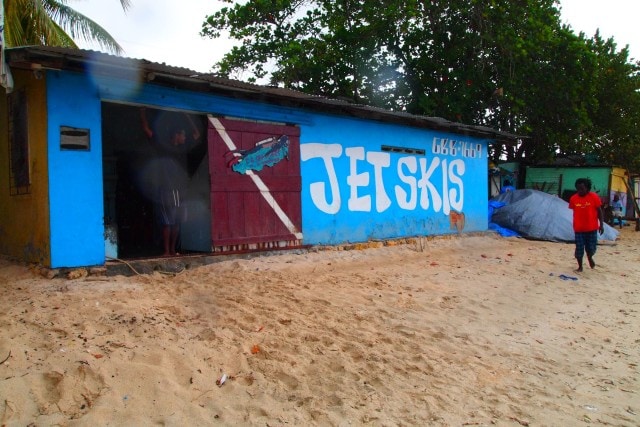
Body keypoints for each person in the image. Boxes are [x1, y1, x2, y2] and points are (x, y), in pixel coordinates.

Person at [140, 108, 201, 256]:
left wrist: (187, 116)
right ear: (176, 135)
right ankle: (167, 251)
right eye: (183, 135)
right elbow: (146, 130)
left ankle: (173, 250)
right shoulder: (163, 147)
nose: (185, 138)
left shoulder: (183, 148)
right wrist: (142, 112)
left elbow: (197, 134)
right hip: (167, 189)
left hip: (180, 190)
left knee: (176, 222)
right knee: (168, 222)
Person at [568, 178, 604, 272]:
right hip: (579, 229)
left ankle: (590, 257)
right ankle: (580, 266)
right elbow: (574, 211)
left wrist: (602, 225)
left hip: (592, 228)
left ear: (587, 188)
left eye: (582, 189)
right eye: (578, 189)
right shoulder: (573, 198)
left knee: (591, 248)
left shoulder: (594, 197)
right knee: (579, 248)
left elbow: (599, 211)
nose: (580, 191)